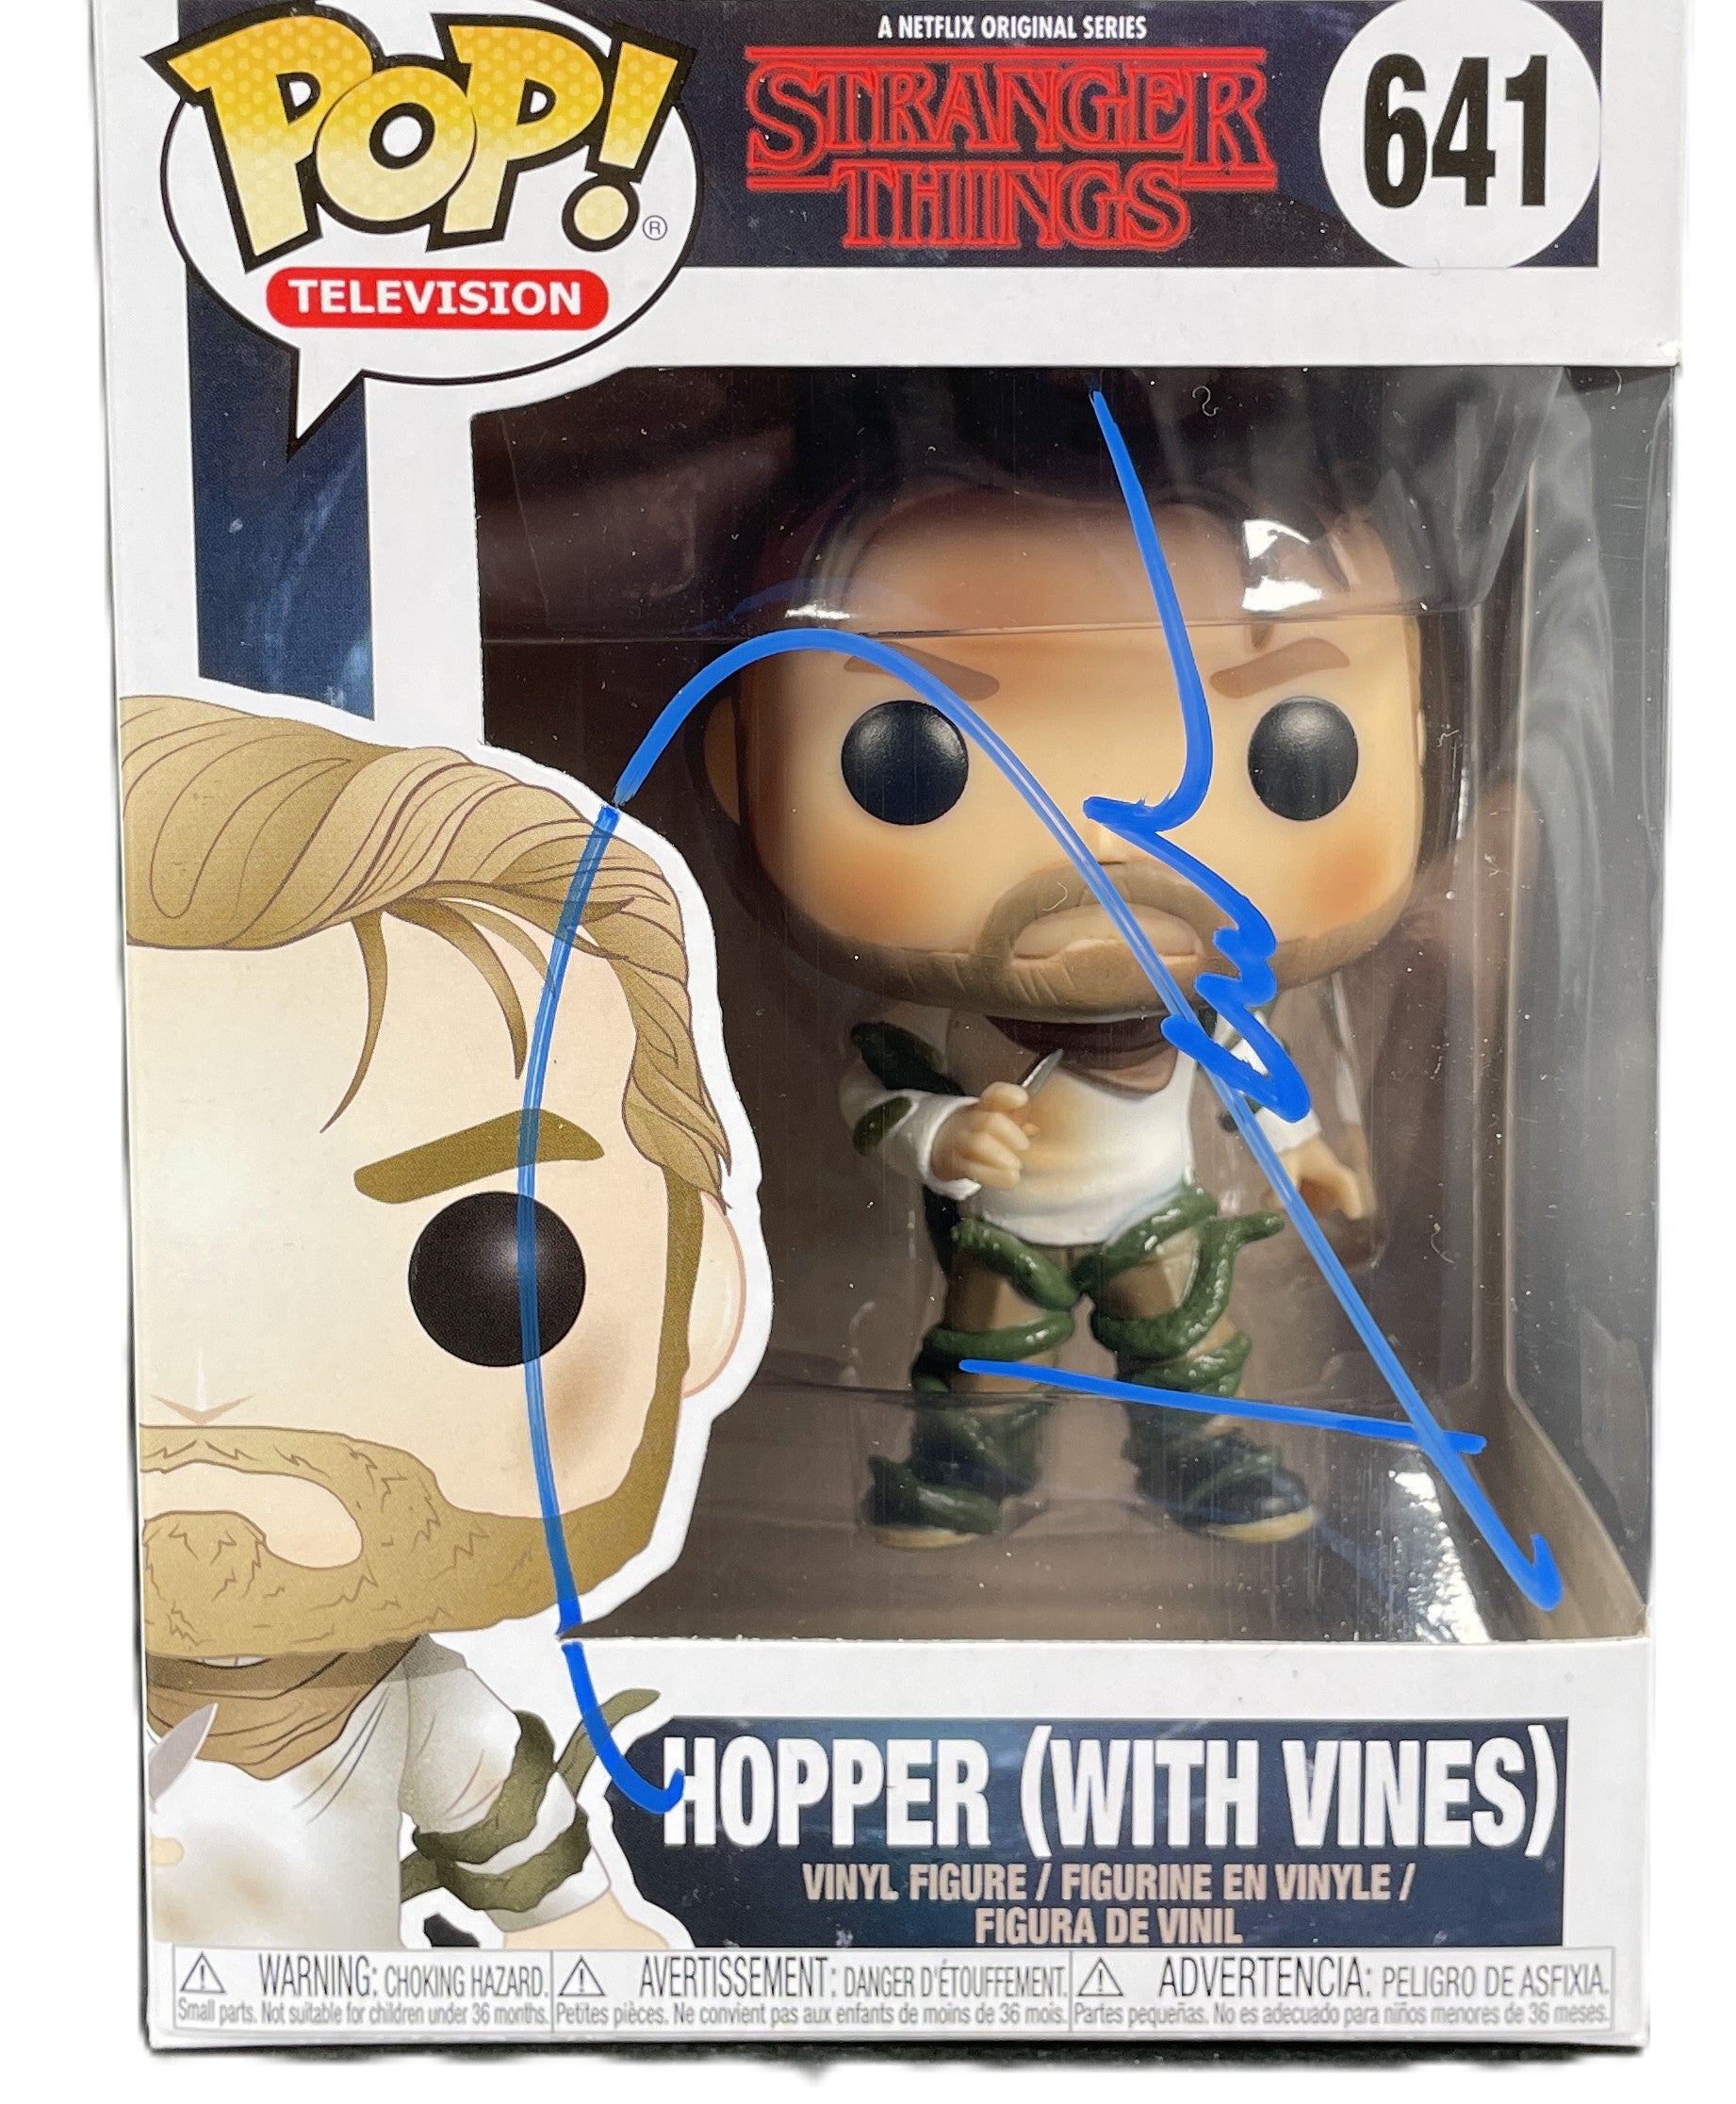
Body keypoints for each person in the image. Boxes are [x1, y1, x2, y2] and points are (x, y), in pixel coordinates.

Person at [126, 694, 763, 1948]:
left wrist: (586, 1945)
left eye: (488, 1276)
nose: (204, 1393)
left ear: (700, 1296)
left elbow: (517, 1848)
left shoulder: (408, 1698)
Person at [703, 465, 1422, 1548]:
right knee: (989, 1360)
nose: (1112, 842)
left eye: (1295, 754)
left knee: (1188, 1347)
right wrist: (945, 1134)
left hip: (1152, 1211)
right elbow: (876, 1093)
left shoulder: (1199, 1005)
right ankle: (967, 1468)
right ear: (737, 761)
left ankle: (1204, 1457)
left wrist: (1307, 1148)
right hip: (1009, 1226)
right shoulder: (958, 1022)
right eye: (912, 763)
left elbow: (1248, 1067)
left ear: (1415, 737)